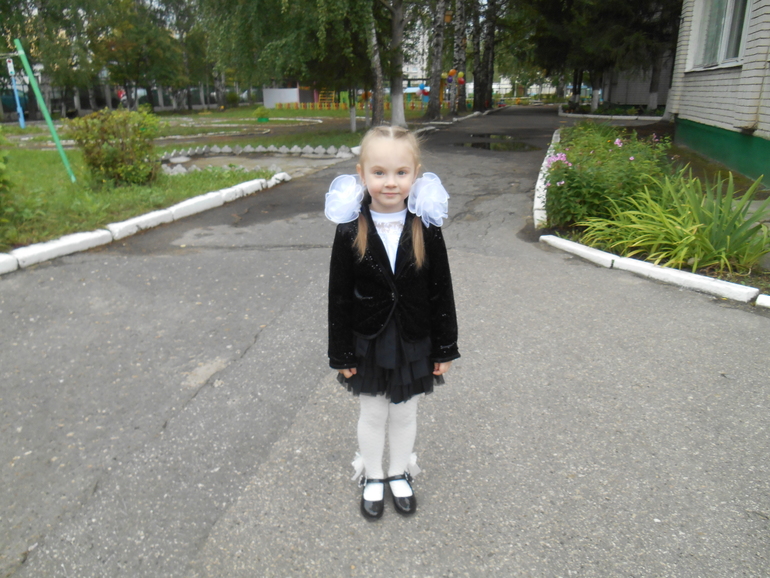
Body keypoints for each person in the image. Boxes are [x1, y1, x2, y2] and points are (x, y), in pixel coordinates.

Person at [325, 126, 460, 520]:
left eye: (401, 172)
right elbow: (338, 295)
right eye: (379, 172)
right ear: (362, 173)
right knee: (373, 414)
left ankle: (399, 472)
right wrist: (341, 353)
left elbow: (441, 289)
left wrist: (445, 347)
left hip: (414, 340)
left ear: (415, 173)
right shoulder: (349, 228)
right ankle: (373, 475)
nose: (390, 182)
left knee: (404, 413)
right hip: (368, 341)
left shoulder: (426, 226)